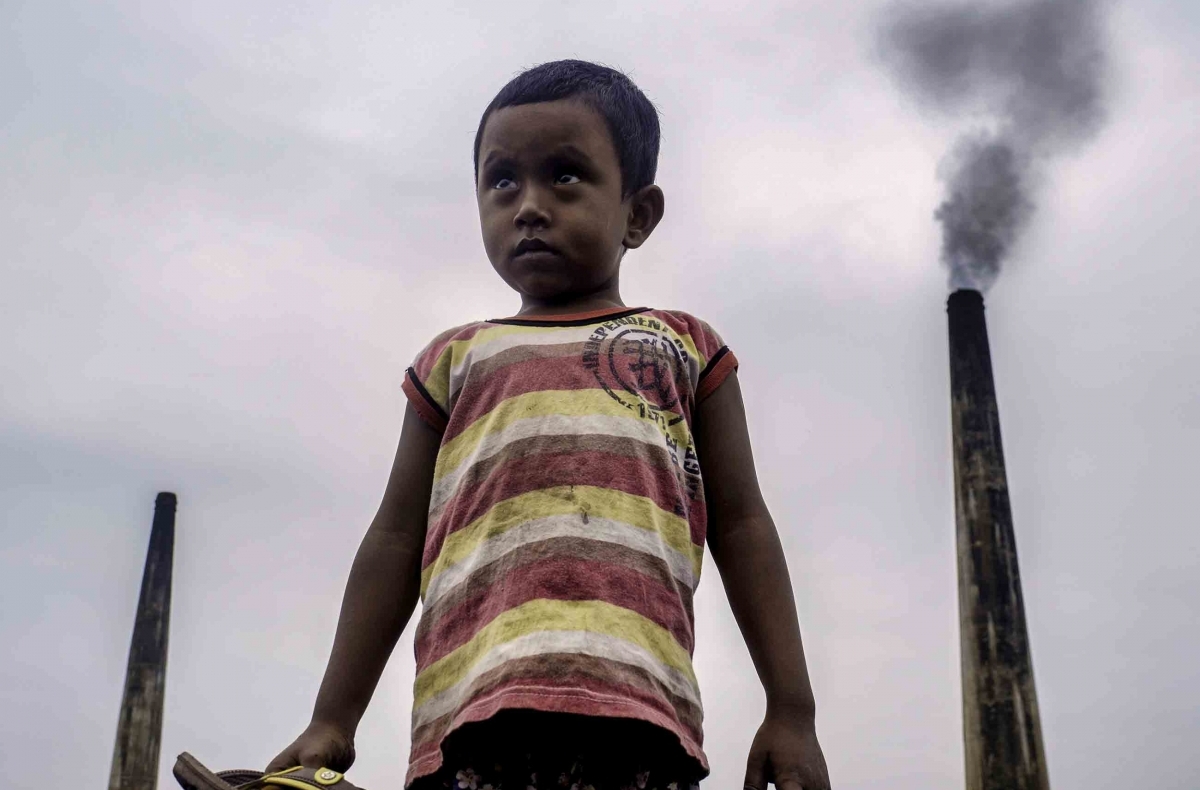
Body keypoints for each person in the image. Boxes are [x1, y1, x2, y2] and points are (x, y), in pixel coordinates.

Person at [266, 60, 830, 790]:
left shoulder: (686, 349)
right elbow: (395, 539)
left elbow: (746, 525)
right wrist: (332, 718)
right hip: (469, 726)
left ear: (638, 213)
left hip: (639, 724)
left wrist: (792, 709)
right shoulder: (454, 360)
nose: (528, 205)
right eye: (502, 181)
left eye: (565, 176)